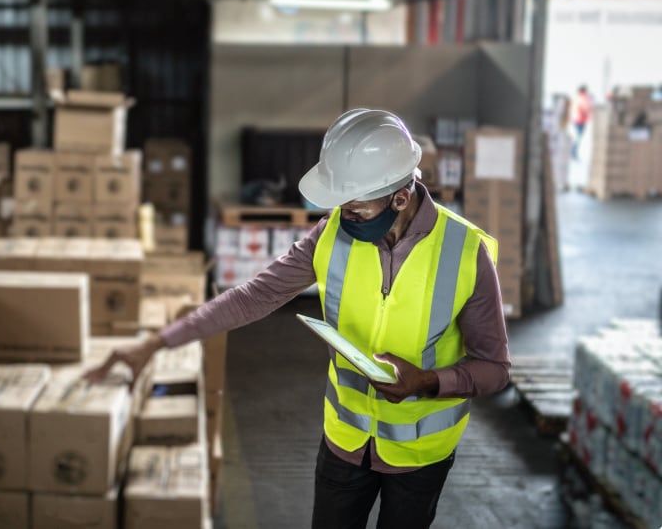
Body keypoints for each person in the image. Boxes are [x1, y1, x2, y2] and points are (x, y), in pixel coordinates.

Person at [85, 109, 510, 529]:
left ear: (400, 197)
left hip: (421, 459)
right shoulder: (332, 235)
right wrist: (156, 343)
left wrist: (427, 382)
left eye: (355, 208)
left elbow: (493, 370)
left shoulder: (465, 252)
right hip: (344, 444)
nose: (343, 217)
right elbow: (254, 296)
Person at [571, 85, 592, 159]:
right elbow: (585, 108)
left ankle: (573, 151)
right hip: (580, 120)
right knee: (578, 137)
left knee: (577, 136)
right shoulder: (584, 97)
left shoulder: (577, 97)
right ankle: (573, 152)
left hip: (576, 119)